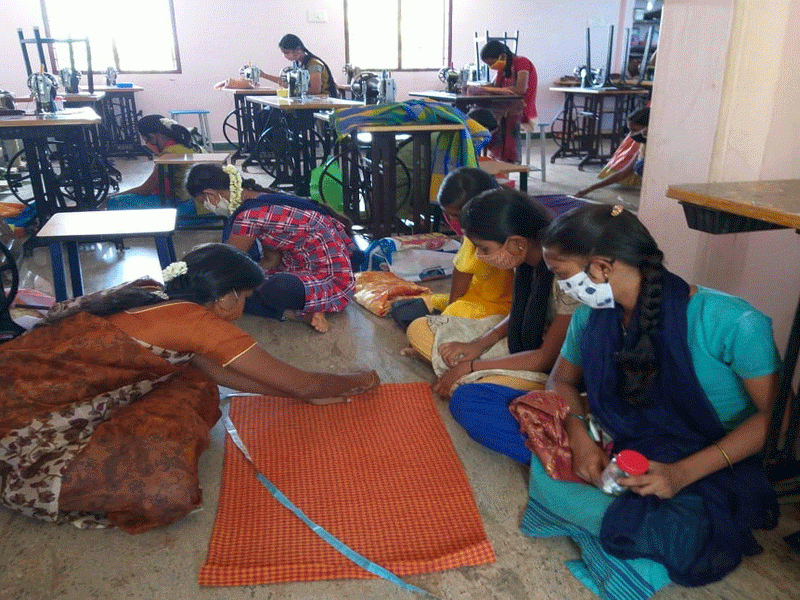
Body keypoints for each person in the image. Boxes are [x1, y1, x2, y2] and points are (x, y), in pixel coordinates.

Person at [0, 243, 379, 534]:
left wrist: (298, 394)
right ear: (227, 296)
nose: (245, 307)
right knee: (168, 492)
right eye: (246, 298)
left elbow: (218, 372)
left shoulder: (158, 295)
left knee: (194, 382)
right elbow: (301, 381)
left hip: (24, 383)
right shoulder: (197, 324)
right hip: (21, 420)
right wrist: (361, 379)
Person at [519, 204, 780, 596]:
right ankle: (619, 529)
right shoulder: (591, 317)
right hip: (618, 442)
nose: (561, 287)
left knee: (682, 532)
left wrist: (681, 474)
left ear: (601, 268)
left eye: (561, 274)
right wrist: (579, 436)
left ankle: (614, 527)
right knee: (487, 405)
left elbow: (777, 416)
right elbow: (562, 379)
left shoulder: (730, 321)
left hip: (709, 459)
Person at [423, 188, 580, 409]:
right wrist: (479, 344)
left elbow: (545, 358)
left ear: (517, 243)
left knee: (466, 394)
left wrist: (470, 367)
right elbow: (519, 313)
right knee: (423, 330)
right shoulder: (524, 259)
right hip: (525, 343)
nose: (479, 256)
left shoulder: (565, 274)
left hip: (552, 364)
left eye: (483, 248)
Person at [186, 163, 360, 333]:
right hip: (302, 267)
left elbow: (227, 265)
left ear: (210, 194)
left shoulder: (247, 216)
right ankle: (308, 312)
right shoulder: (259, 198)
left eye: (204, 202)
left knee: (263, 292)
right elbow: (272, 259)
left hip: (331, 279)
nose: (208, 208)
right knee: (245, 290)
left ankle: (298, 311)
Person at [106, 115, 208, 218]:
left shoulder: (169, 154)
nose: (147, 145)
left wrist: (109, 198)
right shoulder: (189, 145)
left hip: (192, 208)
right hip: (207, 206)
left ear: (152, 137)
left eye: (145, 140)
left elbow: (145, 189)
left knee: (115, 202)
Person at [473, 40, 538, 163]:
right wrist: (477, 88)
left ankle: (509, 160)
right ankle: (489, 158)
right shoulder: (503, 68)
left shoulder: (522, 62)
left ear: (502, 56)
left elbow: (520, 89)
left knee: (491, 119)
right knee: (478, 114)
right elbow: (495, 85)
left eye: (491, 63)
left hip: (521, 108)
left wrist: (486, 89)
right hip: (506, 105)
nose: (491, 67)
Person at [574, 106, 649, 198]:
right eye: (630, 131)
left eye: (635, 130)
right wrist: (590, 188)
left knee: (640, 165)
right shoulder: (643, 145)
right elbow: (623, 172)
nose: (631, 135)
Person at [259, 34, 338, 97]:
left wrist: (294, 91)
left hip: (321, 103)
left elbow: (315, 90)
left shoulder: (313, 64)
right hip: (308, 102)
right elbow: (287, 83)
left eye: (287, 53)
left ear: (298, 50)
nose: (285, 56)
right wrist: (264, 75)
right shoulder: (297, 64)